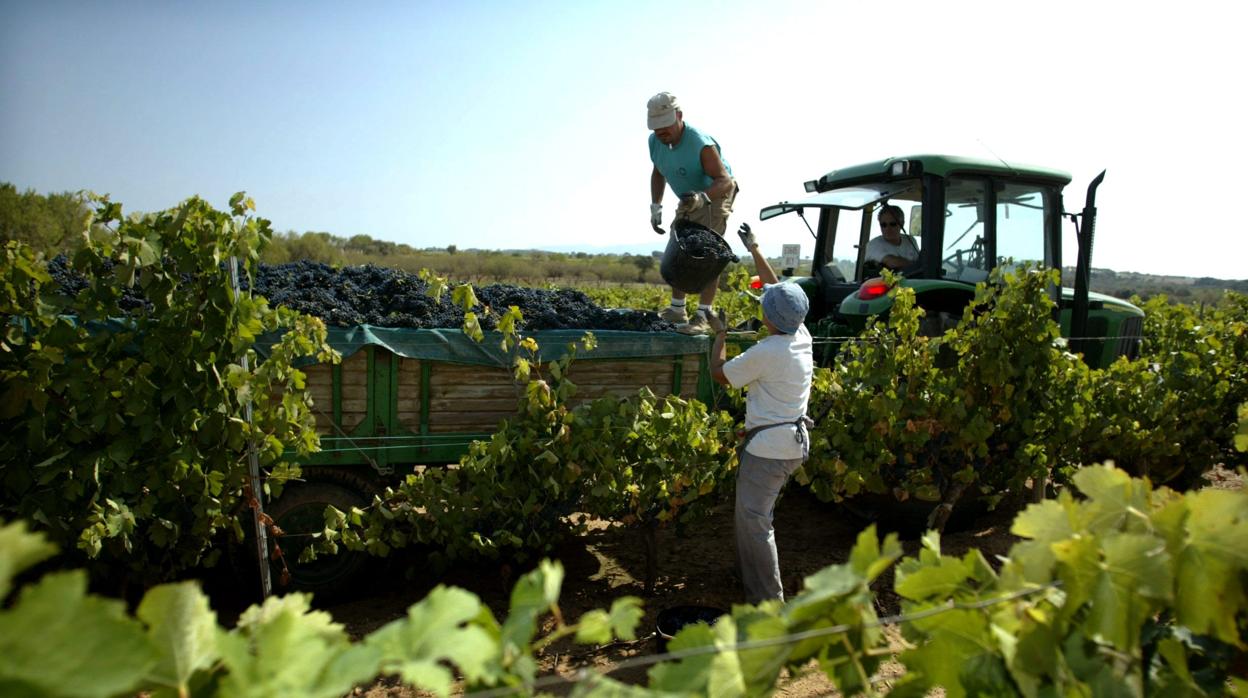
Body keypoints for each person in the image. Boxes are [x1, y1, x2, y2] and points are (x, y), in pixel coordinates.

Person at [707, 223, 814, 604]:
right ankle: (749, 580)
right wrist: (753, 248)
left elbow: (719, 375)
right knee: (753, 518)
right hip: (791, 444)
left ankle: (770, 606)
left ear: (769, 319)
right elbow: (776, 291)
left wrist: (719, 334)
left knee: (755, 524)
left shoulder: (767, 352)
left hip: (769, 451)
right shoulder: (801, 336)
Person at [647, 91, 738, 335]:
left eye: (666, 125)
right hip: (689, 196)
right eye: (656, 128)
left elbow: (725, 181)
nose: (661, 132)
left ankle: (703, 316)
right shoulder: (655, 142)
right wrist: (656, 205)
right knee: (680, 246)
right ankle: (678, 309)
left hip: (715, 193)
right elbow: (658, 172)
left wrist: (703, 198)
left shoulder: (700, 143)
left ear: (679, 116)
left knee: (707, 254)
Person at [864, 204, 919, 272]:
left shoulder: (911, 241)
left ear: (902, 224)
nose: (888, 229)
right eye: (883, 225)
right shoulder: (873, 245)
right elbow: (893, 263)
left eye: (892, 224)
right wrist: (915, 265)